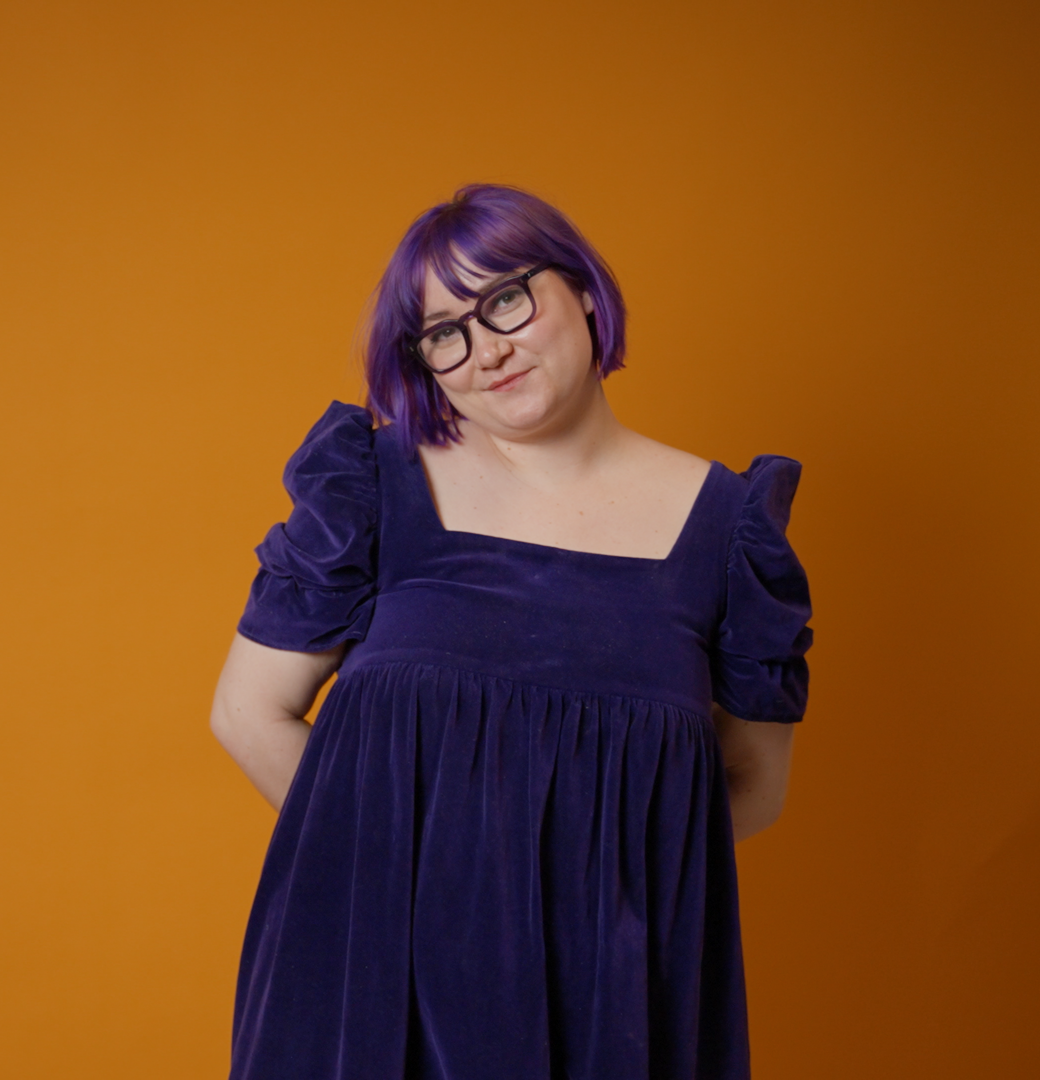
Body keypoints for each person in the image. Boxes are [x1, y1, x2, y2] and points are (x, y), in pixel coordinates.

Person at [209, 184, 811, 1080]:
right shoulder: (372, 487)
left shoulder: (727, 534)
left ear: (584, 293)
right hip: (366, 978)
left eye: (504, 300)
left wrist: (593, 893)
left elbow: (755, 784)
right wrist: (421, 870)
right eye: (445, 332)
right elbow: (247, 713)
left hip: (609, 1000)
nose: (486, 348)